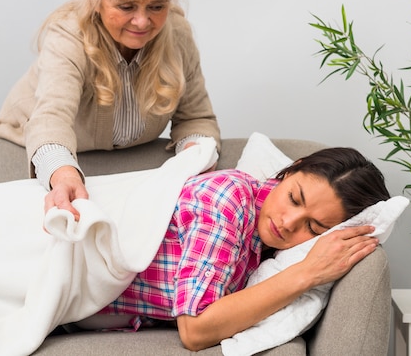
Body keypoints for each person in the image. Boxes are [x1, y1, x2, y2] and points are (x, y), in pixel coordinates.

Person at [0, 0, 220, 221]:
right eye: (126, 6)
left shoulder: (177, 35)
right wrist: (63, 173)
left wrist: (194, 159)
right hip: (33, 147)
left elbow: (196, 118)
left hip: (125, 159)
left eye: (156, 6)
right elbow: (51, 119)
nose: (142, 22)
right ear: (96, 1)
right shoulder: (68, 34)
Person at [74, 147, 391, 351]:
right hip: (66, 244)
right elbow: (194, 331)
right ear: (291, 170)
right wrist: (306, 273)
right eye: (294, 198)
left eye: (314, 228)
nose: (290, 222)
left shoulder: (267, 247)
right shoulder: (230, 201)